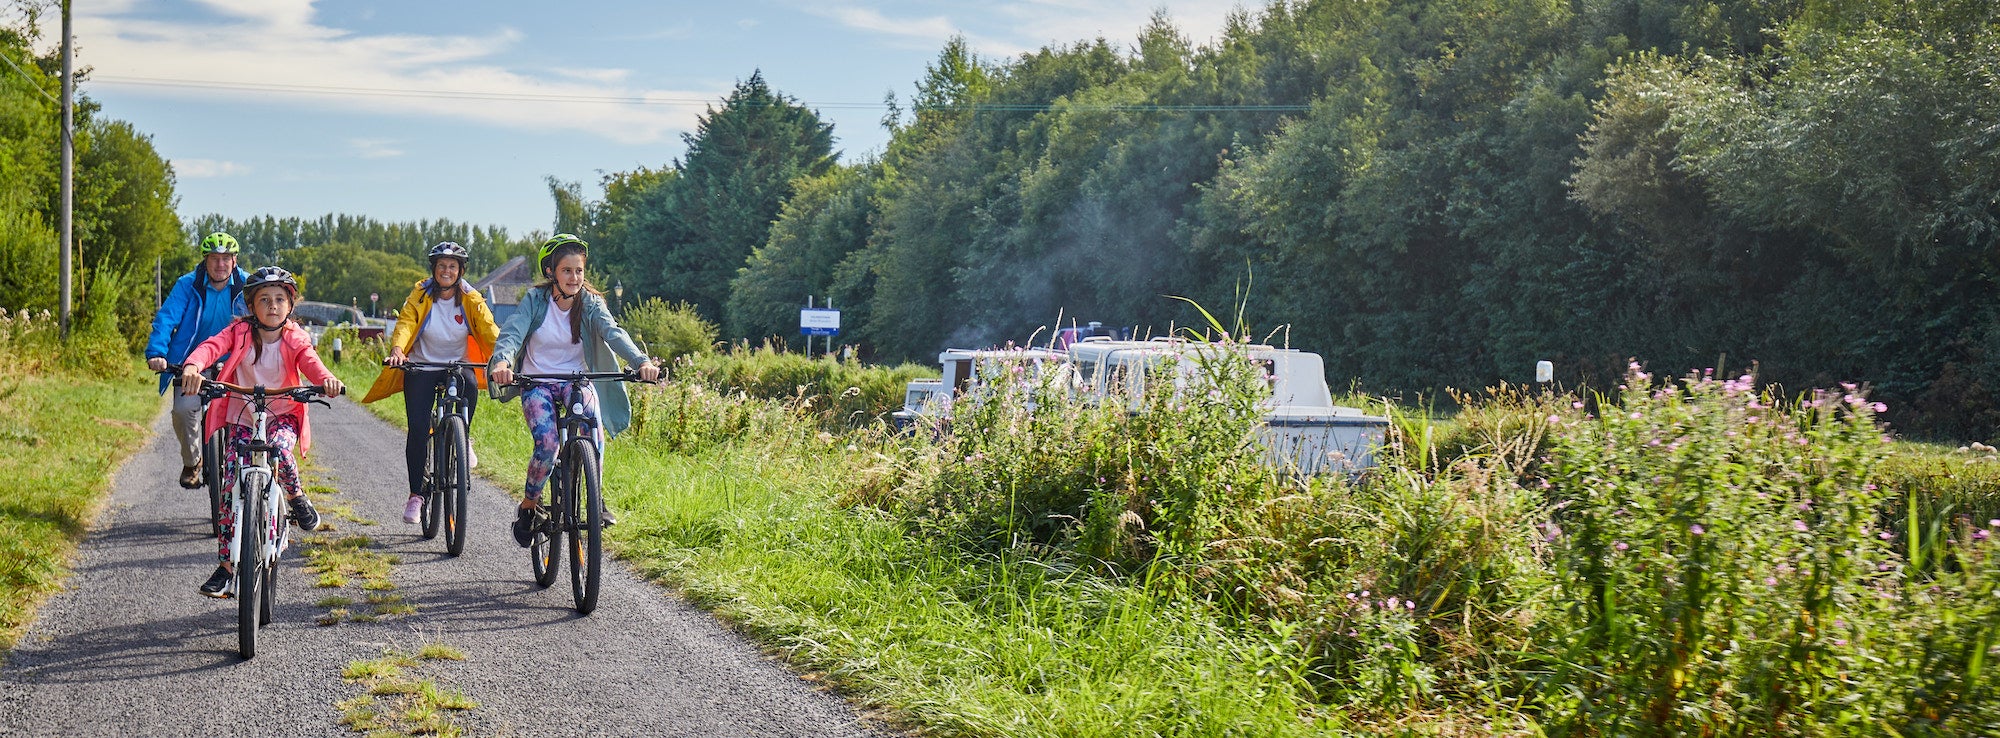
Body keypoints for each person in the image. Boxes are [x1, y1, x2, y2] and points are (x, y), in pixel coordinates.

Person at [180, 266, 345, 597]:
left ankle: (296, 497)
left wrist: (326, 378)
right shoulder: (239, 331)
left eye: (280, 299)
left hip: (282, 412)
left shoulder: (295, 336)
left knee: (281, 451)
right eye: (264, 299)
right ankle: (227, 568)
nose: (272, 306)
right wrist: (193, 366)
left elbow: (310, 360)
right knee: (229, 485)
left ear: (290, 306)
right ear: (251, 306)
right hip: (243, 414)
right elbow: (211, 347)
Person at [487, 234, 659, 547]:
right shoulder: (535, 301)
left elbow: (614, 333)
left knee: (593, 427)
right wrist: (502, 362)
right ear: (551, 272)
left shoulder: (590, 303)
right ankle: (529, 506)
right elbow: (512, 334)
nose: (574, 277)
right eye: (567, 271)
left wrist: (641, 360)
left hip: (577, 381)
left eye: (579, 271)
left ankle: (596, 496)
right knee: (549, 442)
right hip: (537, 382)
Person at [361, 241, 501, 525]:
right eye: (441, 266)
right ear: (434, 269)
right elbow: (406, 323)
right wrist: (398, 350)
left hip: (457, 365)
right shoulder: (420, 294)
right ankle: (416, 495)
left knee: (470, 385)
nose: (446, 271)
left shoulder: (471, 298)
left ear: (461, 271)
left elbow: (489, 329)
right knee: (417, 430)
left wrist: (502, 359)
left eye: (452, 266)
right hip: (421, 365)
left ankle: (464, 435)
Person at [146, 232, 250, 488]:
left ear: (234, 261)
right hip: (192, 364)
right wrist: (157, 352)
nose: (220, 264)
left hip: (234, 363)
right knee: (183, 411)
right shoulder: (188, 284)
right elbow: (166, 318)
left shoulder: (248, 286)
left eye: (226, 258)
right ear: (205, 260)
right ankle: (193, 462)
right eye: (214, 258)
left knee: (247, 413)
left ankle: (249, 470)